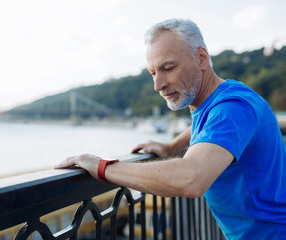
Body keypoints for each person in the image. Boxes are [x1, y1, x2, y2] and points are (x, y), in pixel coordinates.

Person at [55, 18, 286, 239]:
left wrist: (102, 166)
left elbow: (191, 178)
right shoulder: (219, 100)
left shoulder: (233, 108)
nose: (158, 85)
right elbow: (207, 128)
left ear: (202, 58)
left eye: (168, 68)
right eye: (153, 72)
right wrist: (171, 146)